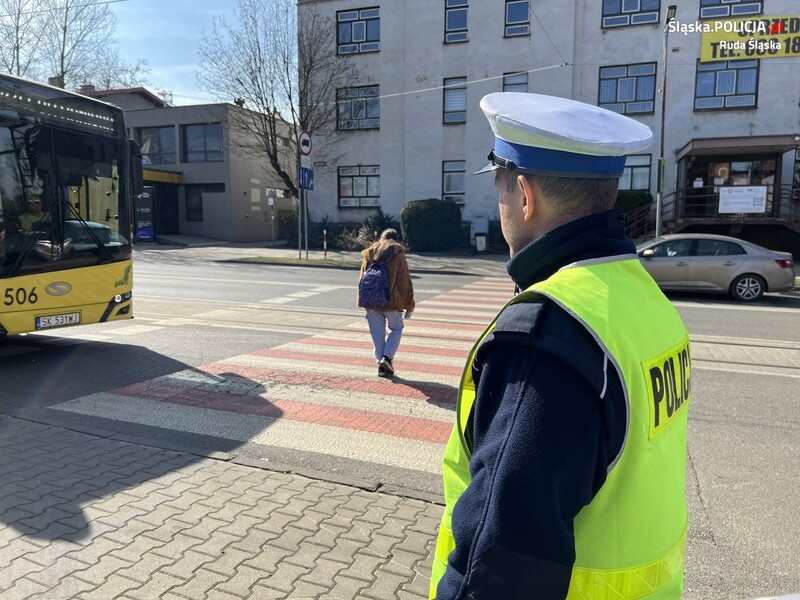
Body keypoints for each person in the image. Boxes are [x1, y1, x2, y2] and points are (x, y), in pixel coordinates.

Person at [430, 93, 692, 599]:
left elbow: (499, 572)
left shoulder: (544, 340)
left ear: (525, 196)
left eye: (499, 187)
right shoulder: (644, 298)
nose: (500, 203)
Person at [358, 228, 415, 377]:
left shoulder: (370, 252)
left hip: (372, 301)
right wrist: (409, 304)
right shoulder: (397, 253)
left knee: (376, 332)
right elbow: (404, 282)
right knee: (396, 329)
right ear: (397, 240)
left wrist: (363, 299)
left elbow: (362, 277)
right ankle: (387, 358)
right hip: (392, 302)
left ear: (381, 238)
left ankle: (381, 364)